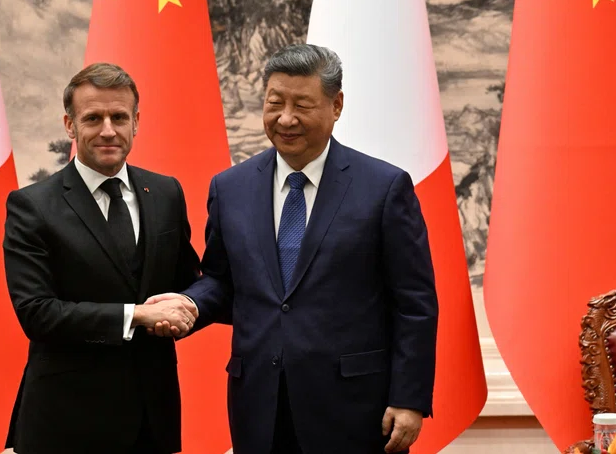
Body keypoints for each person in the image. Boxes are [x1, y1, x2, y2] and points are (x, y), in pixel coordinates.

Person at [148, 44, 438, 454]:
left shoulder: (384, 188)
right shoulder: (230, 188)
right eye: (274, 103)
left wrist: (409, 398)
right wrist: (189, 305)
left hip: (356, 409)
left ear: (336, 105)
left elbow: (414, 302)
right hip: (260, 406)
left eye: (302, 105)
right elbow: (222, 281)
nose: (286, 119)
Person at [3, 63, 200, 454]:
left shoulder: (166, 193)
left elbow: (188, 280)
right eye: (93, 118)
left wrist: (191, 304)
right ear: (70, 125)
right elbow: (37, 313)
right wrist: (135, 315)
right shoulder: (32, 206)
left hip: (152, 420)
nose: (108, 130)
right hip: (65, 423)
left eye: (119, 117)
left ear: (136, 122)